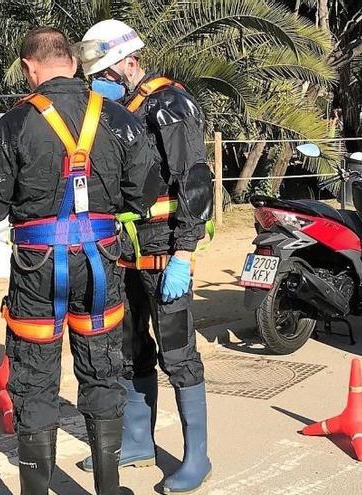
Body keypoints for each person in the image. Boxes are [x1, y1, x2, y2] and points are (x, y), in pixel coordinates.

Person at [0, 27, 158, 494]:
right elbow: (147, 192)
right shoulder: (118, 118)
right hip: (101, 265)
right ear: (74, 64)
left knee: (34, 379)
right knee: (102, 372)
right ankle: (109, 488)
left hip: (37, 269)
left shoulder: (13, 124)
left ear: (30, 68)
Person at [74, 20, 213, 494]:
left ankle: (198, 456)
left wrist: (185, 253)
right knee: (130, 349)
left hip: (165, 248)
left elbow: (193, 178)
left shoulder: (169, 104)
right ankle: (138, 440)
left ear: (128, 60)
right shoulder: (118, 110)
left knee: (178, 354)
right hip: (123, 252)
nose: (100, 81)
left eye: (105, 71)